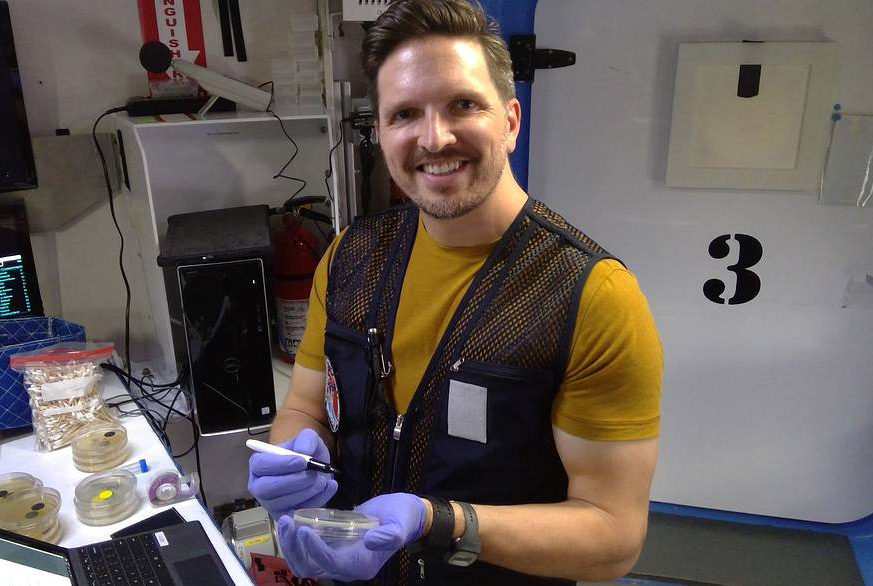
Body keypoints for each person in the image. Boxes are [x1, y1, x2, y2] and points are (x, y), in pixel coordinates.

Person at [247, 0, 662, 583]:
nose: (434, 137)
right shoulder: (350, 259)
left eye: (463, 105)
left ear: (511, 120)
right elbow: (304, 406)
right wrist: (293, 453)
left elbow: (614, 538)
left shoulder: (590, 296)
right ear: (382, 131)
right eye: (404, 114)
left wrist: (438, 523)